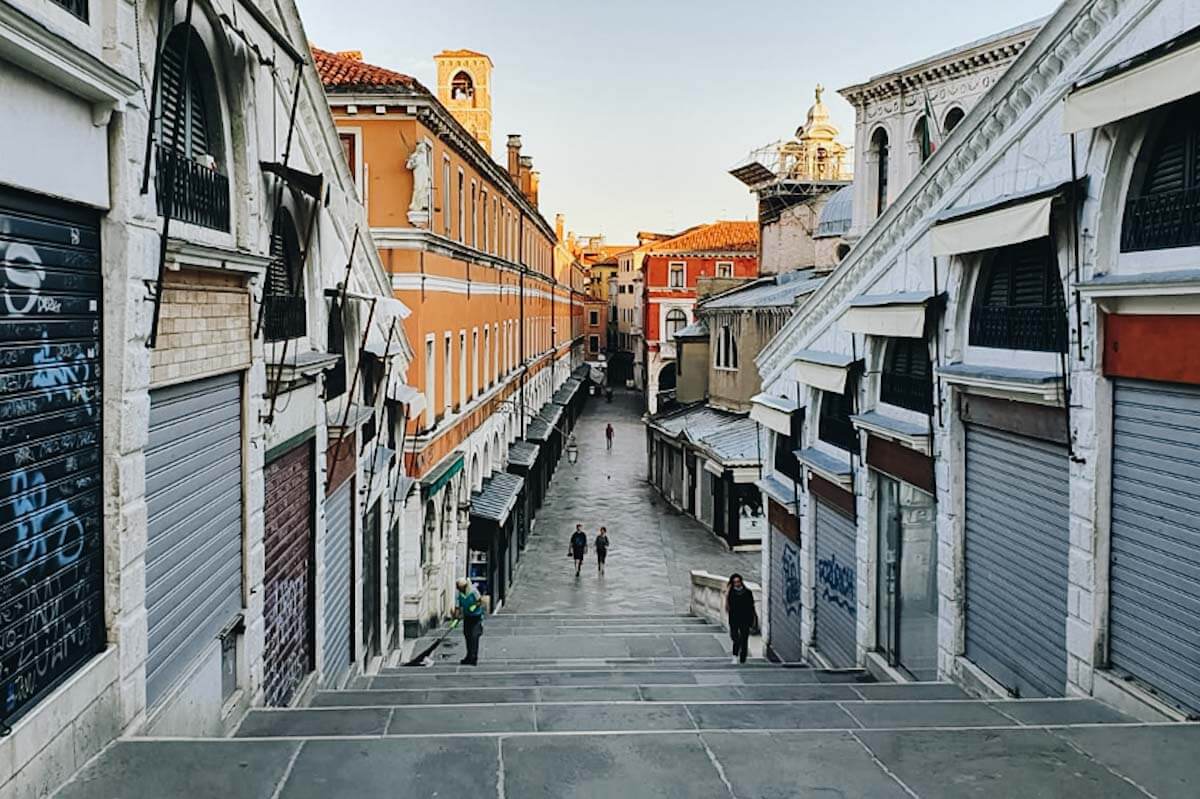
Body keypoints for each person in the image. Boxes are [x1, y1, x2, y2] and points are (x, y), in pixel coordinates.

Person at [726, 573, 758, 664]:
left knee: (744, 639)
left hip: (745, 619)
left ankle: (742, 658)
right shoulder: (730, 593)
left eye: (738, 582)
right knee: (735, 638)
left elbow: (751, 607)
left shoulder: (748, 592)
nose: (737, 584)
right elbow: (728, 608)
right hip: (734, 619)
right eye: (735, 582)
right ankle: (735, 655)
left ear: (741, 582)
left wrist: (753, 619)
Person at [453, 578, 485, 665]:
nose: (458, 589)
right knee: (467, 635)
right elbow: (458, 606)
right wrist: (456, 618)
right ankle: (469, 656)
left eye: (459, 588)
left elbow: (480, 601)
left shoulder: (473, 591)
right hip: (467, 616)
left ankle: (474, 657)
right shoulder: (459, 594)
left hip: (476, 616)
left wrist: (474, 606)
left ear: (464, 587)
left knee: (474, 636)